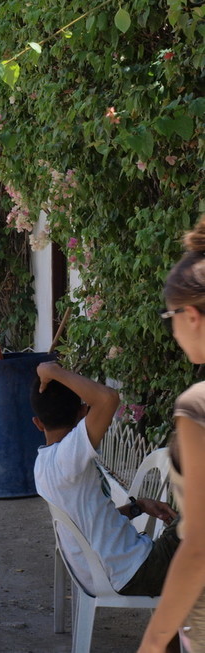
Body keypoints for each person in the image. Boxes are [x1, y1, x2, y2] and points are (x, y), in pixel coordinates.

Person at [32, 361, 180, 598]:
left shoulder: (43, 464)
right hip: (137, 573)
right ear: (83, 414)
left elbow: (90, 525)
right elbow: (108, 398)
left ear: (37, 423)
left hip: (105, 574)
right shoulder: (68, 456)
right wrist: (52, 372)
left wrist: (137, 506)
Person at [139, 217, 205, 653]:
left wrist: (153, 642)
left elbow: (199, 546)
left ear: (193, 315)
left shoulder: (196, 407)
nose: (173, 327)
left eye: (171, 315)